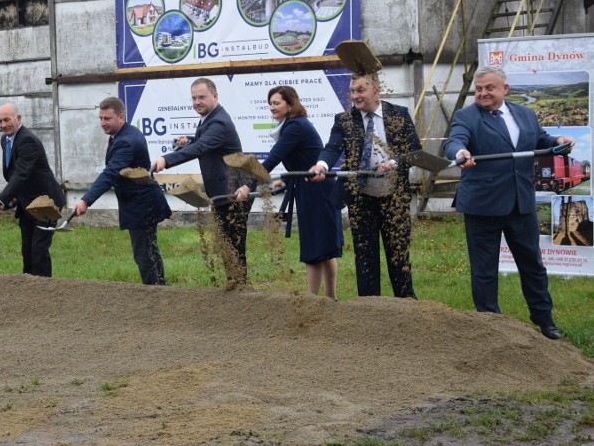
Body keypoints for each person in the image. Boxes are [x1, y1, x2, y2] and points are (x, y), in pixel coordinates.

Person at [444, 66, 573, 340]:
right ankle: (490, 326)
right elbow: (455, 141)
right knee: (484, 270)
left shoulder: (524, 113)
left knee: (533, 266)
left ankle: (545, 321)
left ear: (505, 89)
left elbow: (540, 139)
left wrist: (558, 141)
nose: (482, 93)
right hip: (483, 205)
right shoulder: (466, 116)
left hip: (520, 204)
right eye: (478, 89)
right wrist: (461, 152)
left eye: (489, 88)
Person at [309, 71, 420, 298]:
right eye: (352, 91)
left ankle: (407, 305)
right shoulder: (344, 120)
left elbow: (414, 150)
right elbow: (332, 147)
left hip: (394, 196)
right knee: (365, 256)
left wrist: (395, 162)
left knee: (398, 254)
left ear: (376, 90)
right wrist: (321, 165)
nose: (355, 96)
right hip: (361, 198)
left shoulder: (399, 114)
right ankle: (368, 309)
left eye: (360, 90)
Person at [233, 86, 343, 299]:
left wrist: (248, 186)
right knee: (325, 248)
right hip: (316, 189)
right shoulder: (294, 125)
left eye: (277, 103)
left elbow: (272, 160)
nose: (272, 108)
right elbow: (302, 159)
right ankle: (330, 300)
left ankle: (313, 300)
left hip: (317, 191)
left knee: (316, 250)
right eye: (270, 104)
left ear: (291, 105)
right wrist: (285, 180)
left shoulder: (294, 127)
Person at [151, 77, 251, 285]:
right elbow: (203, 142)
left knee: (234, 246)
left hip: (233, 193)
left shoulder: (219, 122)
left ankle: (242, 292)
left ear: (215, 96)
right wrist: (189, 140)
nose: (197, 102)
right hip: (222, 192)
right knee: (226, 245)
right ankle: (235, 287)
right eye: (194, 98)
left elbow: (201, 148)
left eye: (202, 97)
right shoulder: (210, 118)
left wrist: (166, 160)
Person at [74, 97, 172, 285]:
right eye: (101, 118)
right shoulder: (123, 135)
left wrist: (86, 200)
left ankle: (155, 294)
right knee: (148, 251)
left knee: (144, 254)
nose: (103, 123)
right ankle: (159, 290)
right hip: (141, 202)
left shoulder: (126, 141)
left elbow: (110, 173)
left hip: (142, 205)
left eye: (107, 119)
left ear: (121, 117)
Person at [0, 103, 65, 277]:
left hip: (46, 204)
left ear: (18, 118)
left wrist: (0, 200)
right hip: (27, 203)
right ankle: (27, 290)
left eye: (7, 120)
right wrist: (13, 198)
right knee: (27, 249)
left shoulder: (27, 140)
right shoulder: (5, 140)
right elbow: (14, 174)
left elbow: (21, 174)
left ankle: (43, 291)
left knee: (39, 250)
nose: (3, 125)